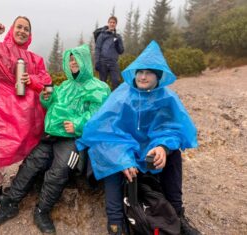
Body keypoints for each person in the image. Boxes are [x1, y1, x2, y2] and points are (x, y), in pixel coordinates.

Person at [77, 41, 201, 235]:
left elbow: (173, 129)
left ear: (158, 75)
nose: (143, 76)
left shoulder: (167, 98)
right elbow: (104, 132)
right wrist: (122, 157)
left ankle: (177, 215)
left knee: (174, 155)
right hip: (121, 150)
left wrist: (162, 147)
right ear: (134, 73)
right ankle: (115, 221)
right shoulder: (121, 96)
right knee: (111, 162)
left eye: (149, 72)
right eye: (139, 71)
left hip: (147, 152)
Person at [0, 44, 111, 233]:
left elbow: (98, 116)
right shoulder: (65, 85)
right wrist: (47, 98)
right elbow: (53, 104)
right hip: (52, 134)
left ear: (85, 61)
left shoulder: (99, 87)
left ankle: (42, 211)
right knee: (31, 164)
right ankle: (9, 205)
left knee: (60, 170)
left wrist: (78, 125)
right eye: (70, 59)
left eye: (76, 59)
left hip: (74, 138)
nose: (72, 63)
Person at [0, 17, 51, 204]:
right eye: (19, 27)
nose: (22, 31)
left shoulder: (35, 59)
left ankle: (26, 180)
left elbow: (46, 81)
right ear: (12, 29)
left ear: (30, 34)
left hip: (26, 113)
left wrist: (33, 80)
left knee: (33, 145)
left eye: (26, 29)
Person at [95, 16, 124, 90]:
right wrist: (97, 62)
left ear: (116, 24)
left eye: (114, 22)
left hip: (113, 62)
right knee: (102, 83)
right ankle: (102, 100)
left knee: (116, 81)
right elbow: (97, 48)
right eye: (110, 22)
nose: (112, 24)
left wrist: (117, 43)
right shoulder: (102, 35)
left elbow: (121, 51)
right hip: (103, 62)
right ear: (108, 23)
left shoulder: (118, 36)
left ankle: (113, 100)